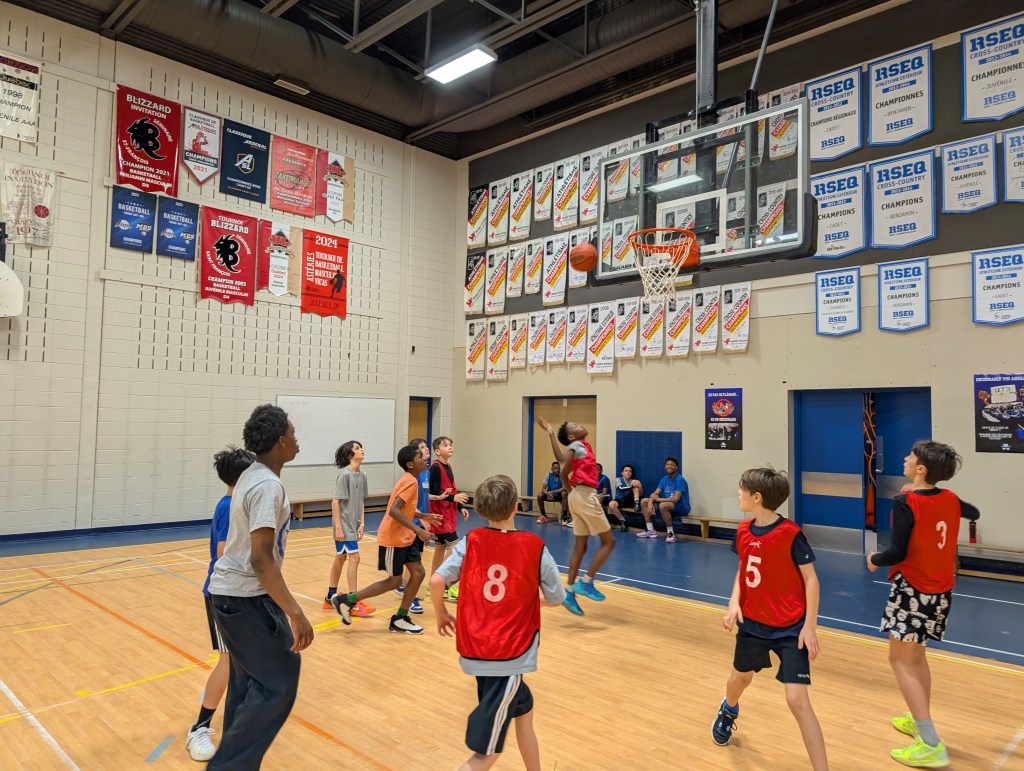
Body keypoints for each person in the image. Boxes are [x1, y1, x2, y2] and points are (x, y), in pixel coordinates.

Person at [430, 474, 565, 771]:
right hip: (509, 654)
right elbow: (556, 598)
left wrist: (441, 614)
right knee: (487, 754)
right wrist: (534, 600)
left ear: (481, 510)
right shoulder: (534, 546)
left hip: (476, 647)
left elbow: (437, 580)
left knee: (525, 714)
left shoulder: (471, 541)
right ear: (516, 507)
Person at [206, 405, 314, 770]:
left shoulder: (252, 475)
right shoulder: (267, 485)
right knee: (279, 682)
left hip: (230, 596)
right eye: (293, 433)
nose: (297, 439)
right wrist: (295, 613)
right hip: (245, 598)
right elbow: (261, 559)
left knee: (247, 682)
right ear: (281, 441)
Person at [867, 441, 980, 768]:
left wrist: (874, 558)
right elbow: (973, 512)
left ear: (920, 469)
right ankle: (919, 720)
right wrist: (926, 494)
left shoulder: (906, 502)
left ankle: (930, 743)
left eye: (911, 456)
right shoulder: (950, 498)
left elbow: (897, 552)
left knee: (900, 661)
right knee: (917, 658)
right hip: (941, 592)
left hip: (912, 590)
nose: (905, 458)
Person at [711, 467, 827, 771]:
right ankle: (728, 709)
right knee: (740, 679)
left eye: (742, 489)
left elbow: (811, 580)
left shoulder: (790, 534)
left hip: (791, 628)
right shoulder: (743, 530)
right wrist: (734, 602)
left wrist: (810, 626)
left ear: (757, 497)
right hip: (753, 624)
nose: (738, 493)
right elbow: (744, 568)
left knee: (797, 700)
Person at [185, 446, 254, 762]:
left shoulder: (236, 505)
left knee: (242, 661)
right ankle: (199, 728)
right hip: (223, 595)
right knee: (228, 662)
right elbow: (223, 552)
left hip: (241, 594)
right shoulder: (229, 508)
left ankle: (239, 717)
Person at [332, 443, 441, 634]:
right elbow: (394, 511)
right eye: (420, 456)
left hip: (406, 536)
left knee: (418, 573)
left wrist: (422, 516)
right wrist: (419, 530)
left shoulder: (412, 479)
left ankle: (400, 618)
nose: (425, 458)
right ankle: (347, 601)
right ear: (410, 464)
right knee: (394, 581)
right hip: (393, 537)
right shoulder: (410, 482)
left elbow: (404, 509)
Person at [537, 416, 616, 616]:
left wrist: (573, 496)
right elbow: (560, 458)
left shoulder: (583, 449)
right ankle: (586, 582)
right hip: (586, 495)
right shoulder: (577, 446)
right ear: (572, 436)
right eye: (575, 426)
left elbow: (565, 475)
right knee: (609, 542)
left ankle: (569, 591)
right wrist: (550, 432)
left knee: (581, 546)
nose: (580, 425)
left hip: (576, 498)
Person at [322, 440, 374, 618]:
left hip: (354, 524)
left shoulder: (363, 475)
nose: (362, 450)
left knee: (341, 558)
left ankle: (330, 596)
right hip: (343, 525)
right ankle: (352, 602)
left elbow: (361, 502)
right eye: (357, 448)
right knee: (355, 558)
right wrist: (338, 527)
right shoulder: (344, 475)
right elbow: (335, 502)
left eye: (361, 447)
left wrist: (362, 524)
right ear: (349, 454)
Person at [428, 436, 470, 602]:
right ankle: (444, 584)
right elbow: (433, 491)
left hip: (448, 514)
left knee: (439, 549)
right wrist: (453, 499)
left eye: (451, 444)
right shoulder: (435, 468)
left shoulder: (448, 466)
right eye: (445, 445)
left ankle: (433, 584)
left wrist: (460, 507)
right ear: (437, 451)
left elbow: (451, 491)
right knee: (455, 548)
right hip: (440, 516)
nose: (450, 447)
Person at [393, 437, 432, 613]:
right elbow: (397, 509)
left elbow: (421, 499)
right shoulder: (411, 479)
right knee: (413, 567)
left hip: (416, 523)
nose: (426, 450)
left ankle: (405, 593)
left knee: (416, 565)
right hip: (408, 525)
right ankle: (408, 596)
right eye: (421, 449)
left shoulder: (424, 473)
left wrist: (426, 516)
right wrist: (420, 522)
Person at [637, 456, 690, 543]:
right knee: (644, 501)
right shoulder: (664, 479)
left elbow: (675, 499)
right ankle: (650, 530)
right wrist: (650, 503)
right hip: (668, 505)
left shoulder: (680, 480)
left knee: (662, 505)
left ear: (676, 467)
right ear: (665, 467)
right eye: (667, 464)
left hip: (681, 506)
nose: (669, 466)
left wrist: (658, 500)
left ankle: (670, 533)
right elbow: (654, 494)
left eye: (672, 465)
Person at [606, 464, 642, 532]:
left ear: (631, 473)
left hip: (630, 500)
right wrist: (632, 486)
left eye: (630, 471)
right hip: (620, 499)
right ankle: (623, 521)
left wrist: (639, 486)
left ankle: (636, 505)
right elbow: (621, 488)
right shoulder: (618, 479)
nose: (628, 472)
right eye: (626, 471)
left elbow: (641, 494)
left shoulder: (633, 481)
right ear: (622, 473)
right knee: (611, 504)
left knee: (635, 484)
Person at [535, 461, 568, 525]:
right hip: (549, 495)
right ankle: (543, 515)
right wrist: (548, 493)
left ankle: (564, 517)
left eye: (558, 468)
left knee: (564, 493)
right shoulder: (548, 475)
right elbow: (543, 489)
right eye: (555, 469)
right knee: (540, 496)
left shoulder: (562, 476)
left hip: (558, 495)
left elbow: (564, 487)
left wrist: (553, 492)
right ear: (552, 469)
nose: (557, 470)